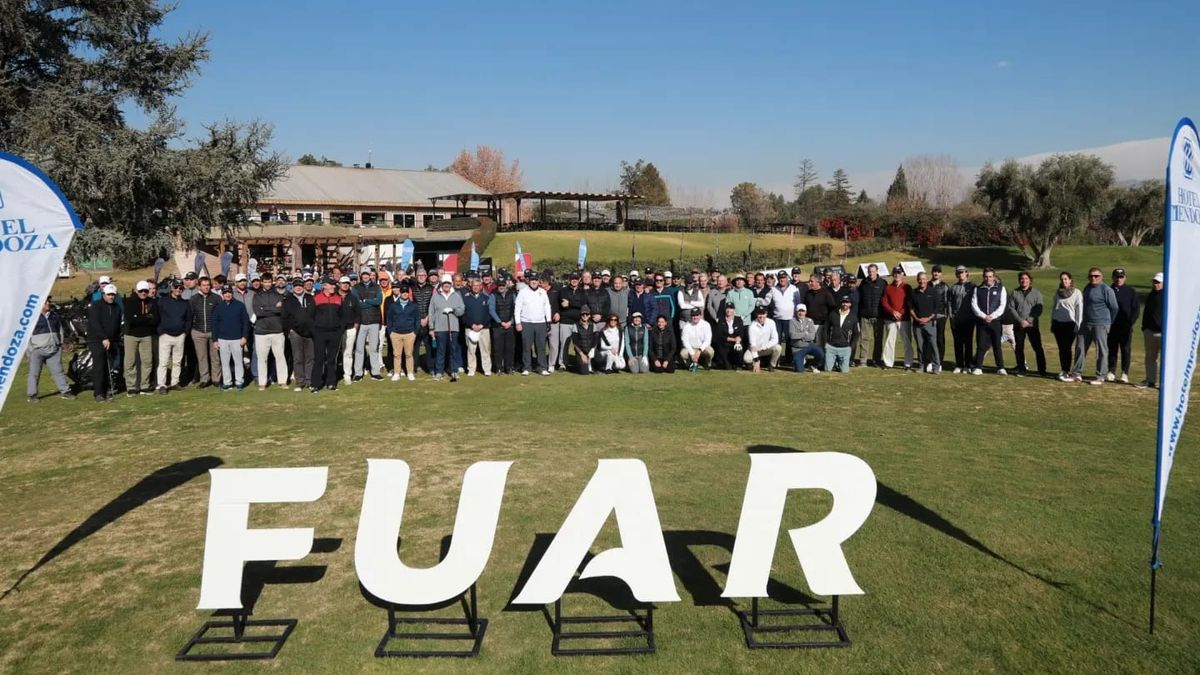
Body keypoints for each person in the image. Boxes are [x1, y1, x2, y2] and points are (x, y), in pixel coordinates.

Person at [1073, 266, 1119, 385]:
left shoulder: (1106, 289)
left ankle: (1100, 376)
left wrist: (1108, 322)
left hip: (1101, 324)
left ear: (1101, 277)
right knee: (1080, 347)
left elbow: (1114, 307)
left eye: (1096, 276)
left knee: (1101, 351)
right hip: (1086, 323)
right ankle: (1077, 374)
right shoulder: (1087, 288)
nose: (1093, 278)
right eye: (1091, 276)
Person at [25, 298, 75, 402]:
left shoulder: (54, 316)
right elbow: (26, 335)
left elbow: (60, 330)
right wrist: (31, 349)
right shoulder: (32, 317)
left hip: (54, 350)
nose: (48, 303)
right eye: (45, 302)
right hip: (37, 350)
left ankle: (66, 391)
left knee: (58, 371)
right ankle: (32, 395)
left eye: (48, 301)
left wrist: (60, 343)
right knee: (34, 373)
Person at [251, 274, 289, 390]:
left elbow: (281, 310)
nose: (267, 284)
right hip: (261, 331)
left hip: (277, 330)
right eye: (265, 282)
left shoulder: (278, 295)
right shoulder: (257, 296)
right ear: (262, 282)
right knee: (262, 358)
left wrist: (266, 308)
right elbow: (258, 312)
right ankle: (262, 383)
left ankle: (282, 381)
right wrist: (274, 308)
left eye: (269, 282)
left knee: (280, 357)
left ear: (272, 282)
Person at [87, 284, 122, 401]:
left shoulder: (117, 307)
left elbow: (117, 325)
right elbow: (95, 324)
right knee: (99, 366)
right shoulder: (95, 306)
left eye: (113, 295)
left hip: (112, 341)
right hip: (96, 340)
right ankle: (98, 393)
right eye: (109, 294)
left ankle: (106, 388)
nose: (111, 297)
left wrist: (116, 340)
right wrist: (104, 338)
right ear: (103, 294)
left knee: (109, 366)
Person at [123, 280, 159, 395]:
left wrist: (142, 318)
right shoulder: (129, 302)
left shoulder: (152, 302)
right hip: (131, 335)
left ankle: (145, 385)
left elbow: (156, 320)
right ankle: (131, 387)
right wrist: (146, 318)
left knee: (147, 361)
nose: (143, 293)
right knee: (130, 361)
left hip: (146, 335)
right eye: (141, 291)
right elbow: (131, 320)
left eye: (145, 291)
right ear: (137, 291)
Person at [212, 285, 251, 390]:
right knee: (225, 363)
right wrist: (215, 340)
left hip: (237, 339)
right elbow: (214, 324)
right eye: (225, 293)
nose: (227, 294)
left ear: (232, 293)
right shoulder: (218, 307)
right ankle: (227, 382)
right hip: (222, 339)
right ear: (222, 294)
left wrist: (244, 337)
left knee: (238, 362)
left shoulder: (240, 305)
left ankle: (239, 382)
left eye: (229, 292)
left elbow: (245, 323)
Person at [1008, 271, 1046, 377]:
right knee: (1019, 347)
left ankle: (1042, 370)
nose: (1024, 280)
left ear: (1030, 280)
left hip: (1032, 325)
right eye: (1022, 278)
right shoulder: (1014, 292)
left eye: (1026, 278)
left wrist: (1028, 320)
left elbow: (1039, 309)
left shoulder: (1036, 293)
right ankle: (1021, 369)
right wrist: (1020, 321)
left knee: (1037, 347)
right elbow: (1011, 308)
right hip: (1018, 325)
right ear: (1019, 280)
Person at [428, 273, 465, 382]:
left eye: (448, 283)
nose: (446, 285)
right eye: (445, 283)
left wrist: (453, 310)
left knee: (453, 350)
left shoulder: (456, 296)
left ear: (451, 284)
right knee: (440, 351)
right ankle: (439, 372)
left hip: (453, 328)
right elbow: (431, 312)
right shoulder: (435, 296)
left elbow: (461, 310)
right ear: (441, 284)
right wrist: (431, 327)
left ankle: (453, 371)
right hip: (439, 328)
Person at [971, 267, 1008, 375]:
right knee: (981, 345)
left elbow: (1002, 305)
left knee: (997, 345)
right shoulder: (978, 289)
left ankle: (1000, 367)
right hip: (982, 322)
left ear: (994, 277)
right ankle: (978, 367)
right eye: (986, 277)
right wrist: (983, 316)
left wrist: (992, 316)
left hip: (995, 321)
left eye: (990, 277)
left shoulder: (1001, 288)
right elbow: (974, 305)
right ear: (983, 277)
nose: (988, 279)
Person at [311, 278, 346, 392]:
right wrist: (315, 331)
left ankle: (331, 382)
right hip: (320, 333)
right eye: (331, 285)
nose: (334, 287)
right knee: (319, 359)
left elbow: (342, 317)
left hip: (334, 333)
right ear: (325, 286)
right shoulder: (316, 298)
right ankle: (315, 384)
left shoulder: (338, 299)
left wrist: (339, 331)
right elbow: (311, 316)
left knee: (332, 359)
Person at [155, 280, 191, 393]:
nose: (178, 290)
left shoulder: (185, 303)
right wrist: (160, 331)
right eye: (176, 287)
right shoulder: (163, 301)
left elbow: (188, 320)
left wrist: (185, 332)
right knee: (163, 362)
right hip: (165, 335)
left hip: (180, 335)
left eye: (181, 288)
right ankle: (161, 385)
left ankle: (175, 382)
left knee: (177, 362)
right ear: (172, 288)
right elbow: (157, 316)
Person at [1106, 268, 1140, 383]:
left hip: (1126, 327)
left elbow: (1136, 309)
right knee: (1112, 349)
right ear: (1113, 277)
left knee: (1125, 350)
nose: (1118, 279)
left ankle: (1125, 373)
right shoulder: (1108, 290)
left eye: (1121, 277)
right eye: (1116, 277)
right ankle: (1111, 371)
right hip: (1111, 326)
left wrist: (1130, 323)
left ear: (1125, 278)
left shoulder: (1131, 291)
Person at [515, 271, 552, 376]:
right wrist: (518, 322)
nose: (534, 282)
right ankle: (527, 367)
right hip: (526, 323)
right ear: (529, 281)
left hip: (540, 323)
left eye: (536, 280)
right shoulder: (523, 292)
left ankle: (542, 367)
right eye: (532, 280)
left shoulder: (542, 292)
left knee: (541, 346)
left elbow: (547, 307)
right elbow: (517, 308)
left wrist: (548, 320)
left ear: (538, 281)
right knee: (526, 347)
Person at [282, 276, 315, 391]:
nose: (298, 288)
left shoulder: (310, 298)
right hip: (295, 333)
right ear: (292, 287)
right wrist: (289, 330)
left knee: (310, 357)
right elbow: (284, 317)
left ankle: (309, 380)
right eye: (296, 286)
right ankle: (300, 381)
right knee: (297, 358)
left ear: (303, 286)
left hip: (310, 333)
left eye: (300, 285)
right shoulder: (287, 300)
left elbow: (315, 314)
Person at [1050, 272, 1084, 382]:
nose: (1064, 281)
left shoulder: (1077, 293)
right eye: (1062, 279)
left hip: (1070, 324)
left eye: (1066, 279)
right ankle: (1064, 370)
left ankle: (1066, 370)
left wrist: (1078, 325)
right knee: (1061, 348)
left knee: (1066, 347)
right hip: (1057, 323)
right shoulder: (1057, 292)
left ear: (1070, 280)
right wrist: (1052, 323)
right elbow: (1054, 308)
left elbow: (1079, 309)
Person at [187, 276, 220, 388]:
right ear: (199, 286)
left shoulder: (216, 298)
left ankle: (216, 379)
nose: (206, 287)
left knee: (215, 357)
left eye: (208, 285)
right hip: (198, 331)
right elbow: (190, 316)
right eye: (204, 285)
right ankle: (205, 379)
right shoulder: (194, 299)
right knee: (202, 357)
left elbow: (220, 316)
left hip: (213, 332)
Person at [352, 269, 384, 381]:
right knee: (359, 348)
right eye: (363, 274)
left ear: (370, 276)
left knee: (374, 348)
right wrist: (371, 302)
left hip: (374, 321)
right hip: (361, 321)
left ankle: (375, 372)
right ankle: (358, 373)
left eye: (367, 274)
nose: (365, 276)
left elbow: (379, 301)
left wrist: (365, 300)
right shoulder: (355, 288)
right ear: (361, 276)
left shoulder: (376, 287)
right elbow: (357, 304)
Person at [880, 266, 913, 370]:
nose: (897, 275)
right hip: (890, 319)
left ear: (902, 274)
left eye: (899, 273)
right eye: (895, 273)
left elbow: (909, 303)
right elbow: (884, 302)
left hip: (904, 319)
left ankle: (908, 363)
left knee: (907, 341)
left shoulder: (907, 287)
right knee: (889, 341)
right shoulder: (888, 287)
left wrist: (901, 313)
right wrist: (893, 311)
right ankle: (888, 363)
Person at [385, 283, 420, 381]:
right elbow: (389, 319)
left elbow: (417, 319)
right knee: (397, 354)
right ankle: (397, 372)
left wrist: (415, 332)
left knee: (409, 354)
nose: (405, 294)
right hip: (396, 333)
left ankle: (410, 372)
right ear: (400, 293)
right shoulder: (393, 306)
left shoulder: (413, 306)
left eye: (406, 292)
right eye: (403, 292)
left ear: (408, 294)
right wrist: (391, 332)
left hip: (409, 333)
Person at [909, 272, 940, 373]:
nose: (922, 281)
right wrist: (917, 319)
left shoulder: (933, 291)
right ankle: (922, 366)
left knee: (933, 345)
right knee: (920, 346)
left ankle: (936, 367)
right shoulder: (913, 293)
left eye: (924, 279)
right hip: (917, 324)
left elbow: (936, 309)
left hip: (930, 323)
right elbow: (911, 309)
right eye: (920, 279)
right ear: (917, 280)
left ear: (927, 280)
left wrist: (928, 318)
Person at [856, 264, 886, 366]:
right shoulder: (863, 283)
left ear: (877, 271)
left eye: (873, 271)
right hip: (865, 316)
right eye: (869, 271)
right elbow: (859, 299)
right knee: (864, 339)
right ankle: (863, 360)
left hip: (878, 316)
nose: (871, 273)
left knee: (878, 339)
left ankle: (876, 360)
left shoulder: (883, 283)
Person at [947, 265, 976, 373]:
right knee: (958, 343)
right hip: (956, 319)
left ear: (966, 273)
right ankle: (959, 364)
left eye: (962, 272)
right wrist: (951, 317)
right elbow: (949, 303)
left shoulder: (973, 286)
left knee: (968, 343)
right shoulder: (953, 287)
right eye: (958, 273)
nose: (960, 274)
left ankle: (968, 365)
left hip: (969, 319)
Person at [462, 276, 493, 376]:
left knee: (485, 351)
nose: (476, 287)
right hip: (470, 329)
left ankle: (487, 369)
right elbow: (463, 315)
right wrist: (472, 325)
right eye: (474, 285)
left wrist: (482, 325)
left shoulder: (486, 298)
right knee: (471, 350)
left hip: (484, 329)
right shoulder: (465, 298)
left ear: (481, 287)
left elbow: (489, 314)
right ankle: (471, 369)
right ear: (471, 286)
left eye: (478, 285)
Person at [555, 272, 585, 370]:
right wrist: (576, 304)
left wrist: (570, 302)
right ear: (569, 279)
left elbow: (583, 304)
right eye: (572, 278)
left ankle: (581, 363)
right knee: (564, 344)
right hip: (565, 321)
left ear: (579, 280)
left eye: (576, 278)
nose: (574, 280)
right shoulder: (563, 291)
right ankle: (562, 364)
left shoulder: (582, 291)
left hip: (578, 322)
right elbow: (563, 304)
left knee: (580, 344)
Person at [1138, 273, 1164, 389]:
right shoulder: (1151, 295)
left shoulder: (1169, 296)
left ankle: (1164, 383)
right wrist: (1144, 327)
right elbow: (1147, 312)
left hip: (1163, 333)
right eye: (1154, 282)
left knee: (1166, 359)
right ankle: (1150, 380)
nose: (1156, 284)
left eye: (1158, 282)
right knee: (1150, 357)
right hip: (1150, 332)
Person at [489, 276, 517, 375]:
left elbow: (515, 309)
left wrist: (511, 322)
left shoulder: (512, 294)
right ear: (497, 285)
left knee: (509, 348)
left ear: (506, 285)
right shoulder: (493, 295)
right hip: (498, 327)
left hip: (510, 325)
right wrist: (500, 322)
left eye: (503, 285)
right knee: (498, 349)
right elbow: (491, 310)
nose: (501, 287)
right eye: (499, 285)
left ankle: (509, 367)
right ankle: (498, 368)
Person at [824, 295, 858, 373]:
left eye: (847, 302)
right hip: (831, 347)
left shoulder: (853, 316)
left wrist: (851, 347)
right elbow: (826, 329)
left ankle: (838, 363)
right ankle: (835, 362)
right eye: (843, 302)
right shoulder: (833, 314)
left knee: (844, 371)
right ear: (840, 303)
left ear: (850, 304)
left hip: (845, 348)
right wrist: (826, 343)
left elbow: (856, 333)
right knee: (827, 370)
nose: (845, 304)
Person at [769, 271, 800, 356]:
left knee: (789, 339)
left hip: (790, 318)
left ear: (787, 278)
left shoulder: (794, 288)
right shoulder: (773, 289)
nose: (782, 280)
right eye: (780, 278)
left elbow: (798, 303)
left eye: (783, 278)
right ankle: (776, 359)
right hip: (777, 319)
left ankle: (788, 359)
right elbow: (769, 303)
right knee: (776, 339)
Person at [802, 273, 836, 349]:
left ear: (818, 282)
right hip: (809, 324)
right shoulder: (808, 294)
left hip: (821, 324)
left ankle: (820, 360)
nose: (810, 283)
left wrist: (829, 322)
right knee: (807, 344)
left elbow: (832, 308)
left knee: (819, 344)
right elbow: (804, 307)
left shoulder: (826, 294)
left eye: (811, 281)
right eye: (809, 281)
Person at [338, 276, 362, 384]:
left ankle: (347, 374)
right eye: (343, 283)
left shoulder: (353, 297)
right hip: (337, 329)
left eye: (347, 283)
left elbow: (358, 313)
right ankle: (335, 374)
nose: (345, 285)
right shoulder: (335, 296)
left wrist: (356, 325)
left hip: (350, 328)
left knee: (348, 353)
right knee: (336, 352)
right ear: (339, 284)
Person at [412, 267, 435, 374]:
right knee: (415, 346)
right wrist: (419, 319)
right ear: (416, 277)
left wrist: (427, 318)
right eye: (419, 275)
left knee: (429, 346)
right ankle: (414, 367)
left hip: (428, 319)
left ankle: (430, 368)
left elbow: (433, 305)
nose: (421, 277)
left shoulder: (431, 288)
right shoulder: (412, 288)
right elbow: (411, 304)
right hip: (416, 321)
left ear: (426, 277)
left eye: (423, 275)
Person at [788, 304, 824, 373]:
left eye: (803, 311)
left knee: (821, 353)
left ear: (806, 312)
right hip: (797, 348)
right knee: (800, 370)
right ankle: (800, 361)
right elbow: (792, 335)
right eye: (799, 311)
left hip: (809, 345)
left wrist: (800, 337)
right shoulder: (792, 321)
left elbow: (812, 336)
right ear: (796, 312)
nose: (801, 313)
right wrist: (805, 334)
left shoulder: (810, 321)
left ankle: (813, 365)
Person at [745, 307, 782, 372]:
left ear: (766, 314)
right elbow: (752, 345)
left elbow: (775, 340)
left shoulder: (771, 322)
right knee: (747, 359)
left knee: (778, 348)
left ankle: (772, 365)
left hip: (765, 348)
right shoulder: (752, 326)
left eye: (763, 314)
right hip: (755, 349)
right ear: (757, 314)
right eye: (759, 314)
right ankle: (753, 364)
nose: (761, 316)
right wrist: (756, 360)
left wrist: (763, 347)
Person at [929, 265, 950, 368]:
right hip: (928, 316)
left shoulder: (944, 286)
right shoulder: (927, 284)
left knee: (940, 339)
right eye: (934, 271)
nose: (936, 273)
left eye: (938, 272)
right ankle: (929, 361)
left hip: (941, 315)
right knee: (929, 339)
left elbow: (947, 302)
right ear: (932, 273)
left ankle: (939, 362)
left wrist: (946, 315)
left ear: (941, 273)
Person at [715, 302, 747, 370]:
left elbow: (741, 333)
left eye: (731, 308)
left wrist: (738, 339)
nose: (729, 310)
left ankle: (739, 364)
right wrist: (732, 339)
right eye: (727, 308)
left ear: (734, 310)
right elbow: (719, 336)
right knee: (727, 367)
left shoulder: (739, 320)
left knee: (739, 348)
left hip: (736, 344)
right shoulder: (721, 320)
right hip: (725, 345)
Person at [571, 309, 599, 374]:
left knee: (601, 360)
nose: (585, 316)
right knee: (585, 372)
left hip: (590, 350)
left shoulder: (593, 325)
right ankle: (580, 366)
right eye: (583, 314)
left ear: (589, 316)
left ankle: (592, 366)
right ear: (580, 315)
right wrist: (582, 355)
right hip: (581, 351)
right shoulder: (575, 326)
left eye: (587, 314)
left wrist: (593, 350)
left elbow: (596, 340)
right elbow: (575, 343)